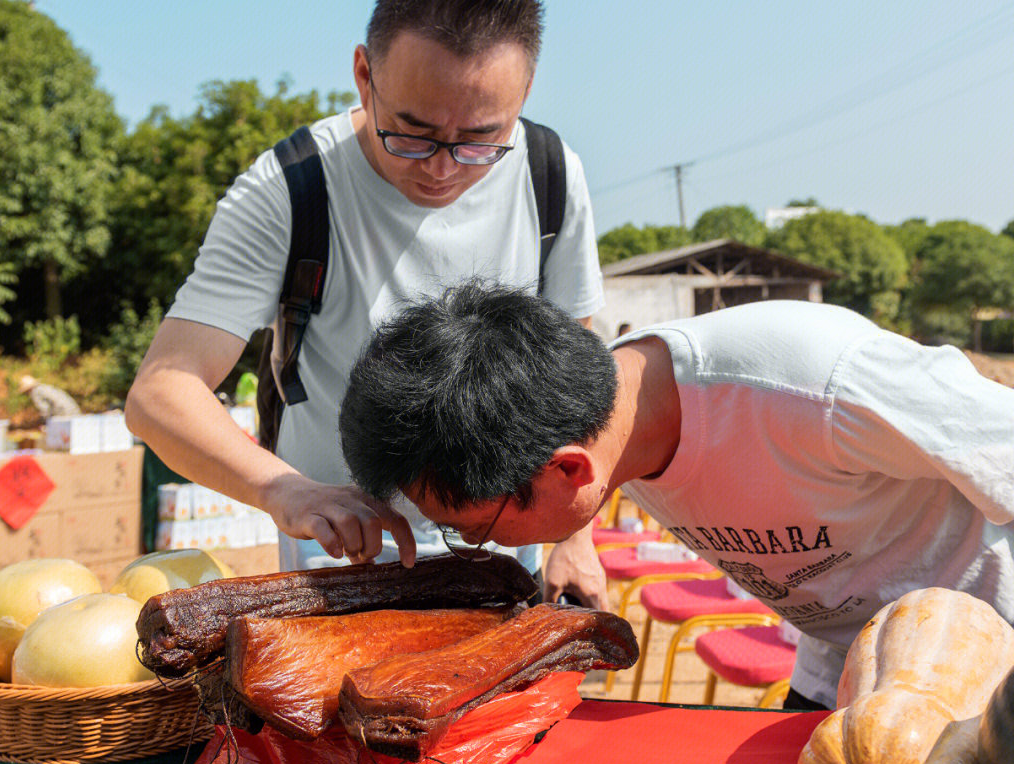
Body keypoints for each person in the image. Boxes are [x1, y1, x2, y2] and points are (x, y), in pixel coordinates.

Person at [124, 0, 605, 601]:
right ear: (364, 75)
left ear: (526, 90)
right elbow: (160, 393)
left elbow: (575, 390)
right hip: (338, 570)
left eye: (481, 140)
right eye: (413, 133)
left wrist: (576, 536)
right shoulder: (290, 188)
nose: (441, 168)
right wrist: (287, 491)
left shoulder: (550, 174)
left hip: (505, 558)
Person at [338, 284, 1014, 710]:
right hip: (850, 665)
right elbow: (563, 476)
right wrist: (575, 541)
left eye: (473, 530)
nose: (476, 545)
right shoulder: (598, 408)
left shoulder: (814, 386)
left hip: (989, 658)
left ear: (570, 472)